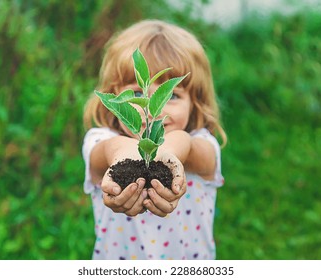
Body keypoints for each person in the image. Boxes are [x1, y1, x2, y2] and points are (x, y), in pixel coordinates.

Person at [82, 19, 227, 260]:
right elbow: (110, 150)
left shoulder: (203, 144)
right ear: (114, 96)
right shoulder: (100, 140)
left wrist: (166, 153)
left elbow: (188, 148)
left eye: (171, 95)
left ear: (195, 103)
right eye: (138, 94)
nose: (151, 110)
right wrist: (123, 158)